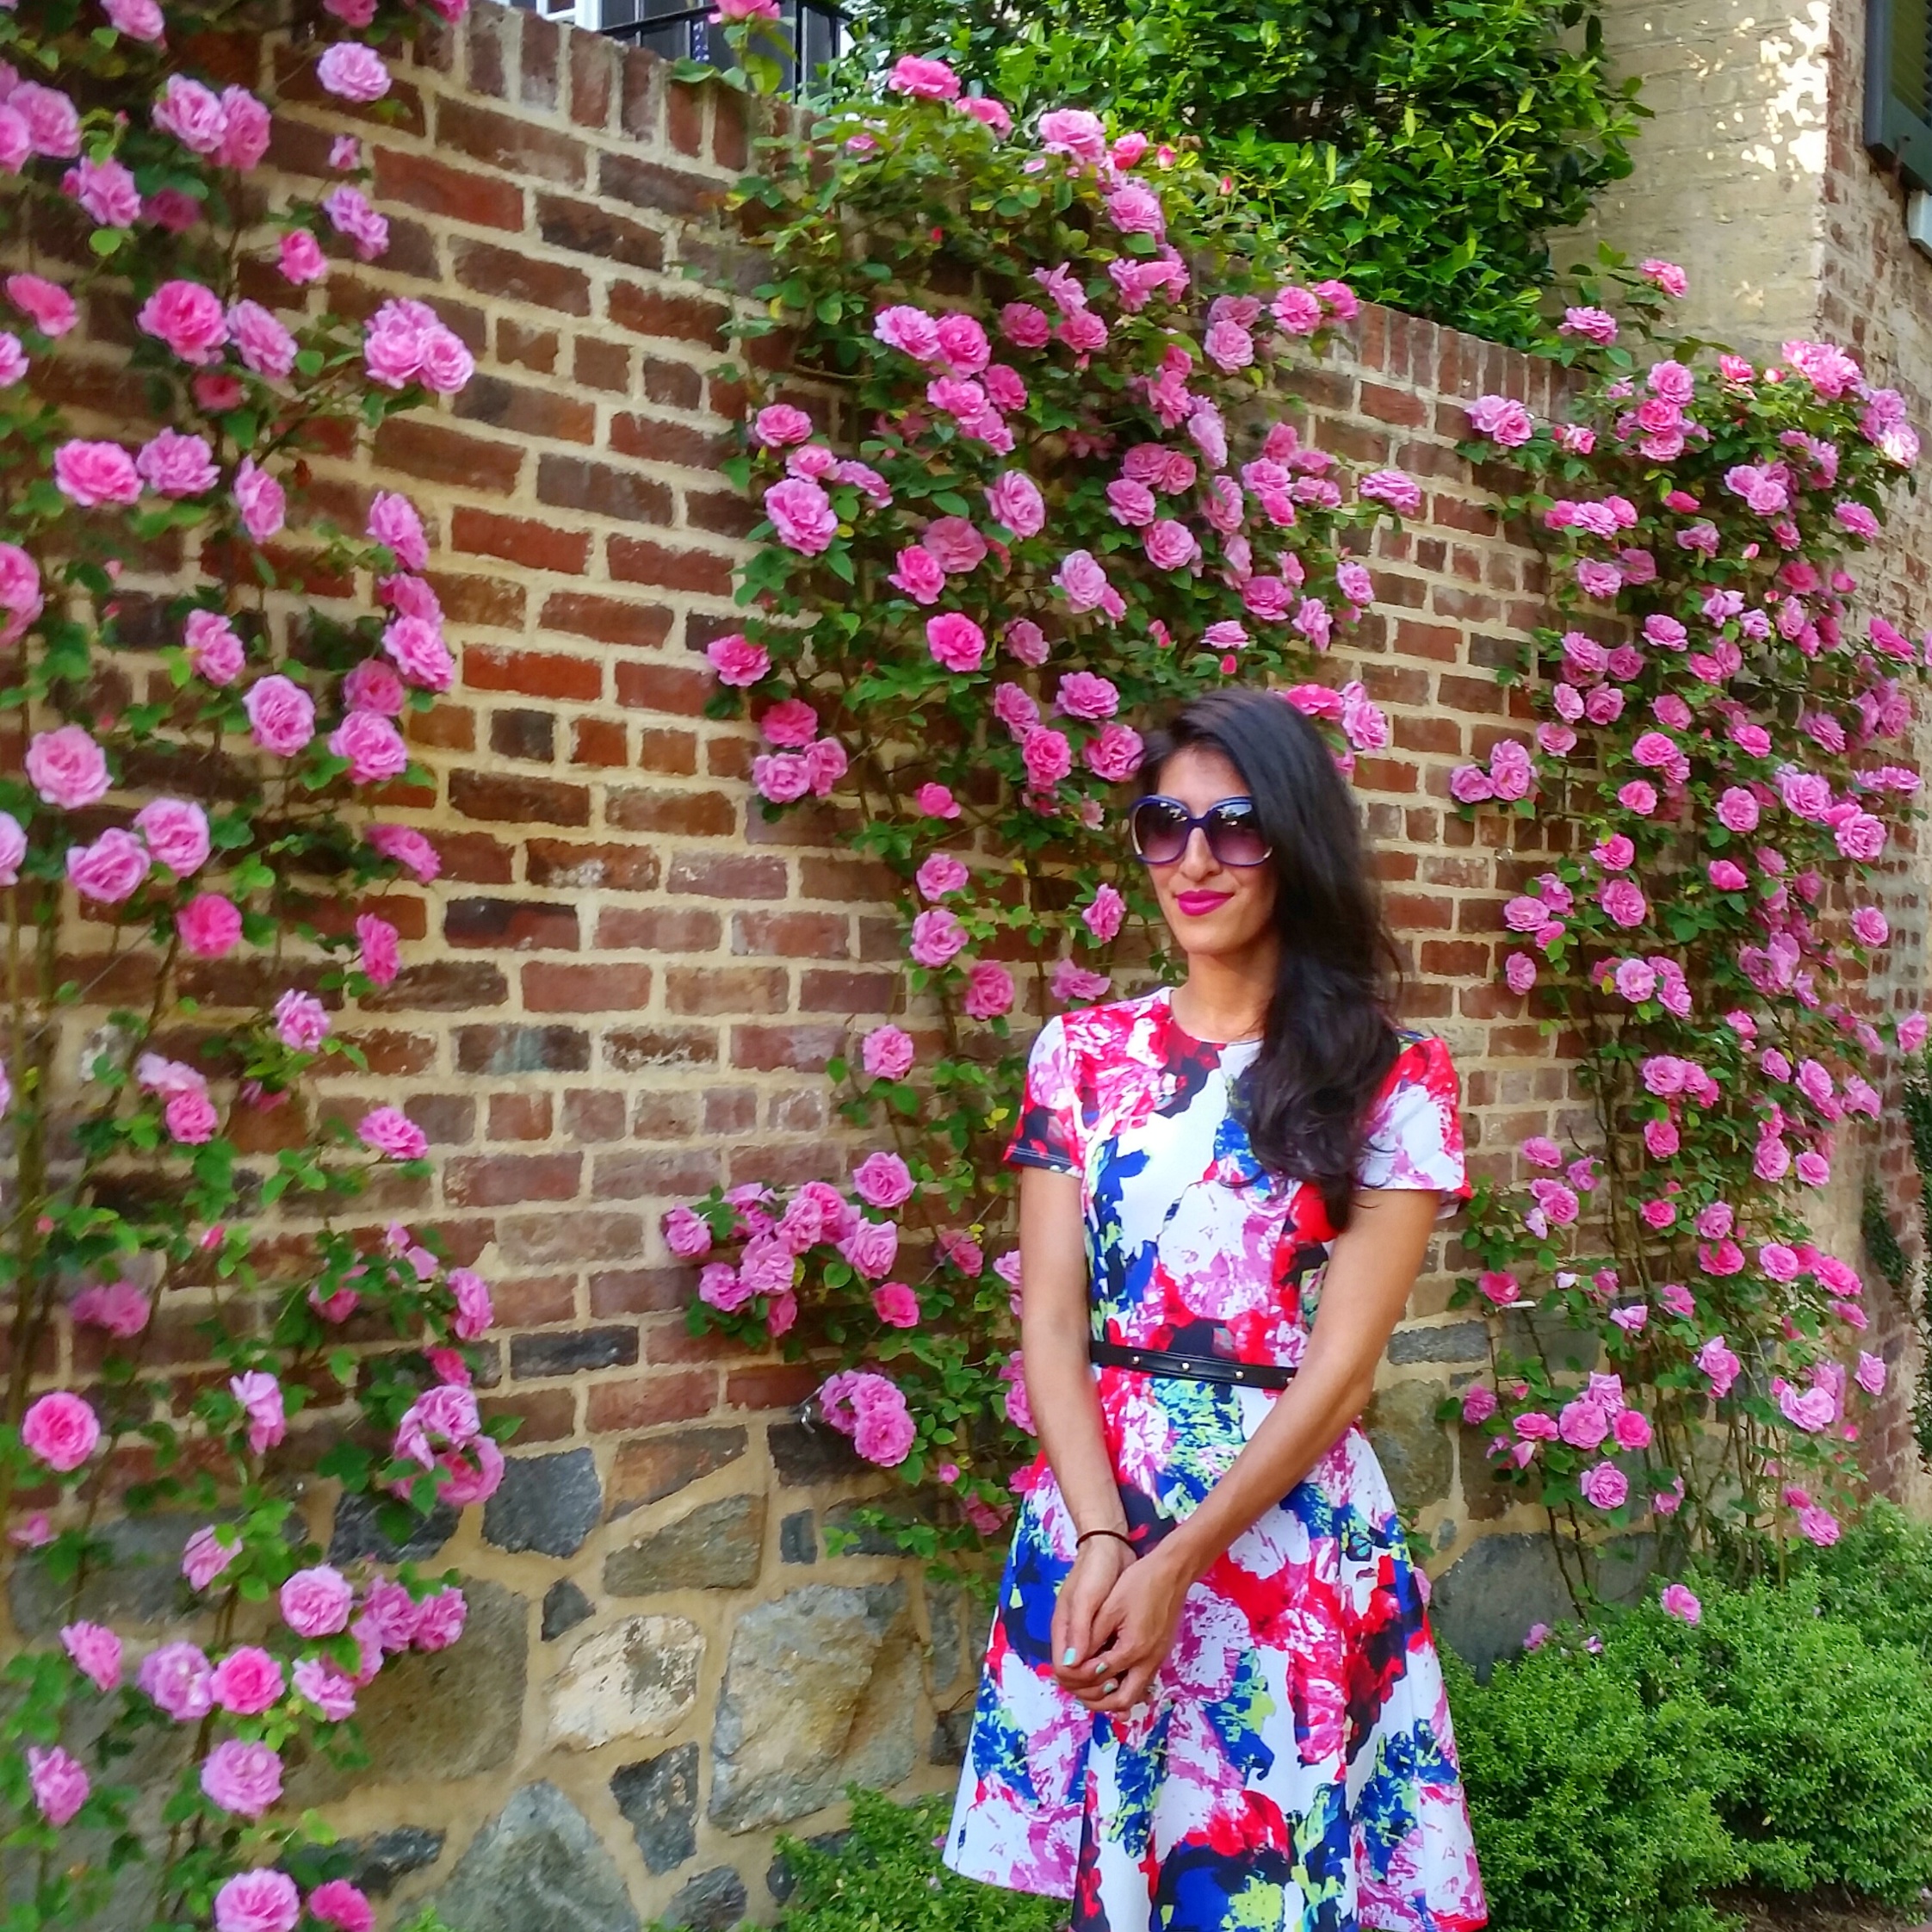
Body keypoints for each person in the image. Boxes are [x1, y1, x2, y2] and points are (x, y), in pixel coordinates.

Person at [943, 687, 1488, 1932]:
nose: (1194, 861)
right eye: (1164, 826)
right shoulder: (1079, 1054)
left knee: (1261, 1886)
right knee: (1120, 1885)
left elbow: (1342, 1376)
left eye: (1235, 827)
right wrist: (1101, 1539)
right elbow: (1051, 1326)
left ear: (1294, 845)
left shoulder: (1393, 1076)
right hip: (1101, 1508)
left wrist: (1179, 1561)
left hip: (1277, 1533)